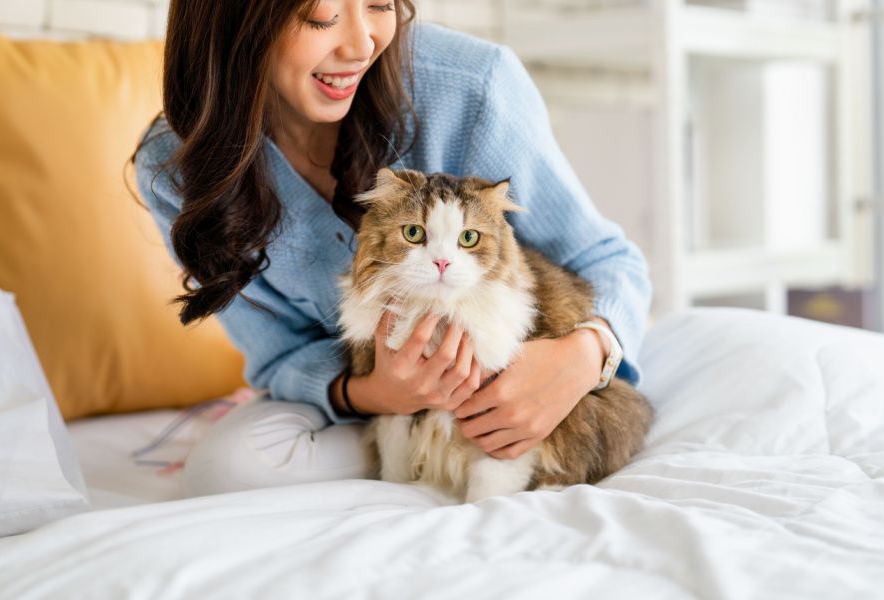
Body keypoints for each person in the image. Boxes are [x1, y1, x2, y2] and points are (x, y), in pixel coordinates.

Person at [131, 0, 652, 497]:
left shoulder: (476, 84)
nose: (361, 44)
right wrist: (375, 394)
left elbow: (606, 262)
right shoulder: (173, 168)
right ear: (234, 20)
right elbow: (278, 358)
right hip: (363, 405)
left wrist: (580, 358)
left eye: (381, 8)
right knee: (226, 470)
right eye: (321, 17)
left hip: (526, 365)